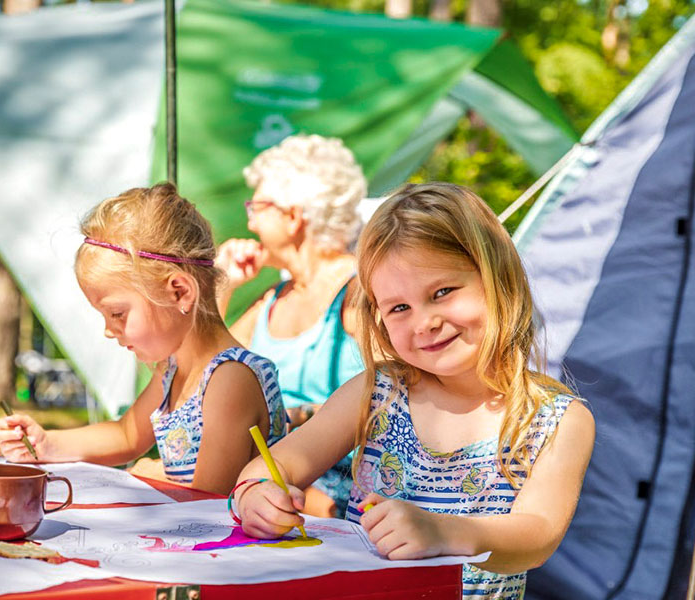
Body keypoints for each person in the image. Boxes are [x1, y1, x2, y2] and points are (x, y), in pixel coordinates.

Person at [231, 183, 595, 598]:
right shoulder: (375, 393)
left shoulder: (556, 418)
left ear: (498, 279)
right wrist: (255, 496)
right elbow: (275, 465)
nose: (424, 323)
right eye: (400, 308)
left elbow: (538, 534)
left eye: (442, 292)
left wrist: (443, 531)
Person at [0, 183, 288, 496]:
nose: (108, 330)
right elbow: (126, 435)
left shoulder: (230, 378)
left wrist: (147, 473)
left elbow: (206, 499)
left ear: (180, 292)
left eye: (117, 314)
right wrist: (46, 443)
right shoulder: (172, 368)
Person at [216, 134, 366, 517]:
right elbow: (209, 377)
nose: (249, 219)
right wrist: (223, 282)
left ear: (293, 216)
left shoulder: (359, 293)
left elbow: (395, 395)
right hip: (270, 482)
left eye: (258, 205)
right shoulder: (273, 298)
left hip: (337, 497)